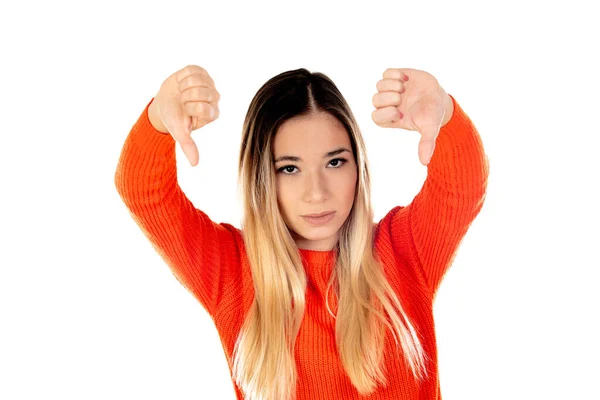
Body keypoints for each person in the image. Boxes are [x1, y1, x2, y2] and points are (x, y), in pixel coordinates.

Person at [114, 64, 489, 400]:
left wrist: (446, 115)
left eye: (335, 161)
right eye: (289, 168)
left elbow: (462, 185)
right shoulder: (233, 270)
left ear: (357, 166)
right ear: (261, 177)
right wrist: (158, 121)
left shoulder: (403, 250)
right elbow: (145, 193)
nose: (317, 192)